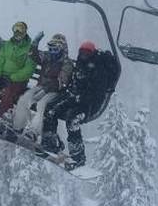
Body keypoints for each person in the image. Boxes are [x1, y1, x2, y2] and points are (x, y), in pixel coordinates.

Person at [39, 40, 120, 168]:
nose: (83, 55)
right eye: (81, 52)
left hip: (89, 105)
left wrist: (80, 97)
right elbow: (74, 84)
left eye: (86, 53)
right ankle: (50, 141)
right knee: (51, 110)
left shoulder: (99, 69)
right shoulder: (81, 64)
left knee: (72, 120)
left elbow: (97, 92)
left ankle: (78, 157)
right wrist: (71, 93)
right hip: (74, 98)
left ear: (92, 54)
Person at [10, 33, 72, 140]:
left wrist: (46, 89)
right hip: (40, 87)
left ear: (62, 49)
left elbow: (61, 81)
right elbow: (32, 54)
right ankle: (18, 126)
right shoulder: (47, 57)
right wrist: (35, 42)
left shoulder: (66, 63)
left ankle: (34, 132)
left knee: (41, 104)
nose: (52, 52)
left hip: (55, 92)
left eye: (55, 49)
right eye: (51, 49)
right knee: (24, 99)